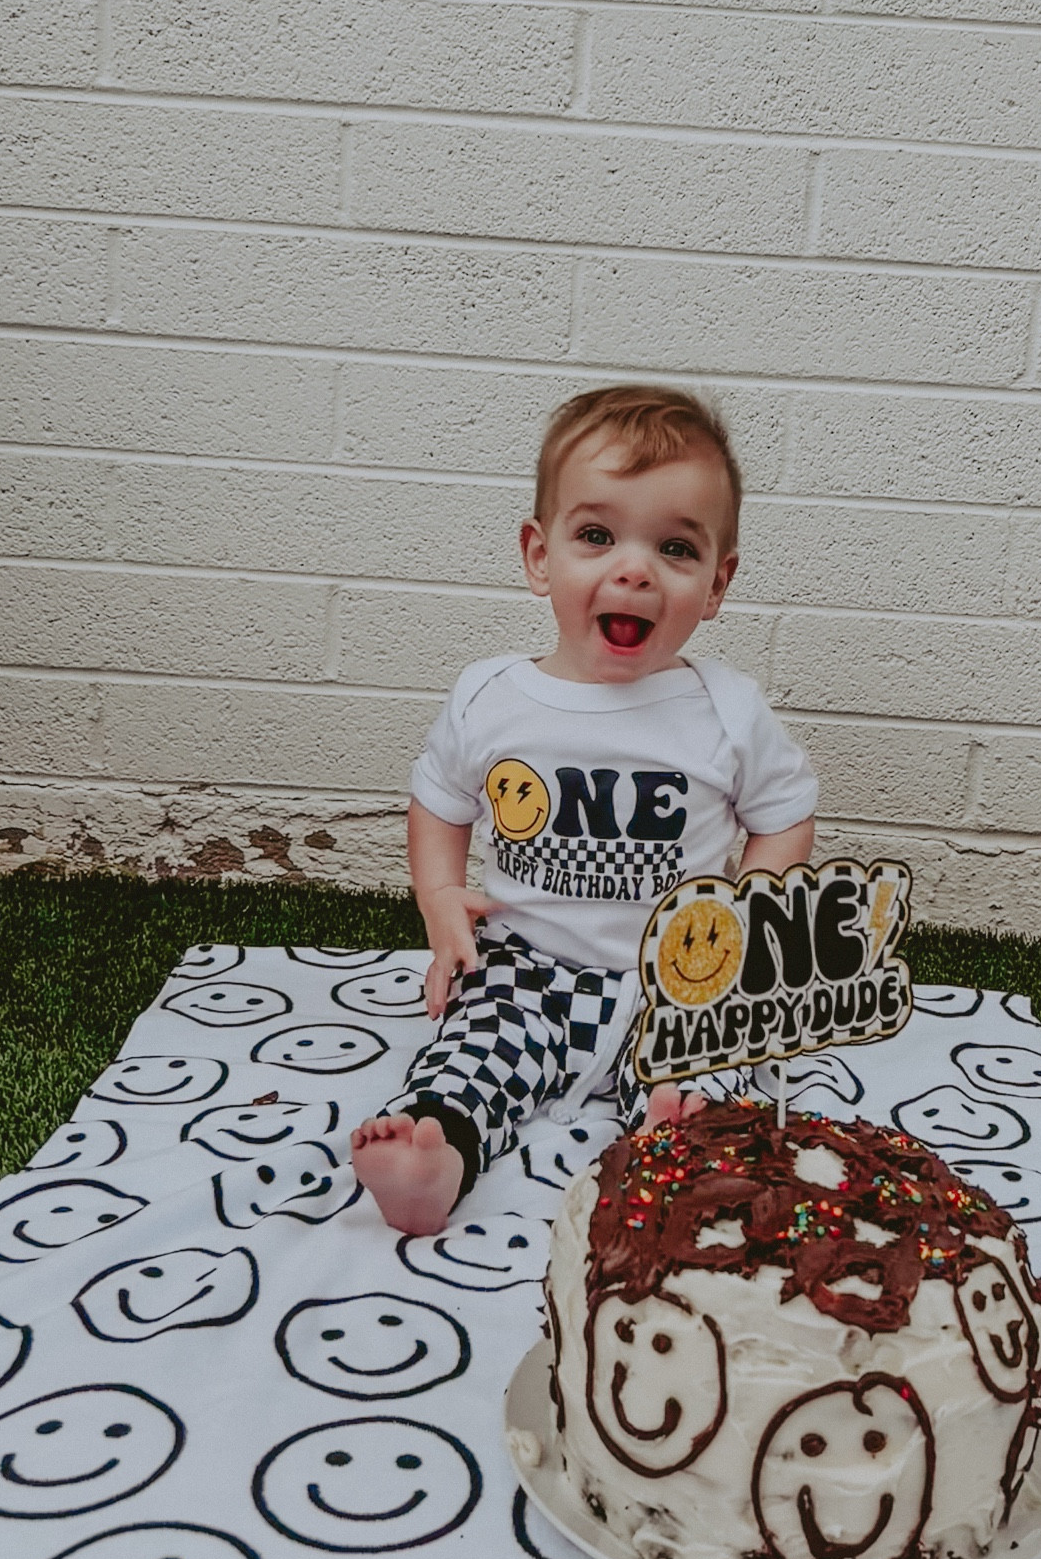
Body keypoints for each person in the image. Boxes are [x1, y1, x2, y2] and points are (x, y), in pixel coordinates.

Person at [350, 385, 817, 1232]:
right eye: (597, 536)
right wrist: (438, 897)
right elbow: (439, 799)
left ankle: (680, 1140)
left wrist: (747, 917)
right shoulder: (493, 699)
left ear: (718, 582)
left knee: (714, 1065)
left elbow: (783, 813)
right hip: (527, 969)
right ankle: (436, 1152)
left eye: (675, 548)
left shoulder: (726, 710)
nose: (632, 569)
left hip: (676, 981)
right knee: (472, 1056)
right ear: (539, 556)